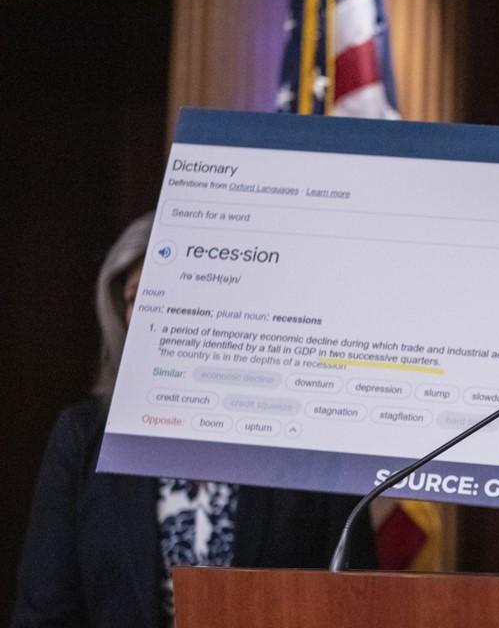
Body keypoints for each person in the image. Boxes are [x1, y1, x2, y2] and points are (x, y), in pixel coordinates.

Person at [11, 213, 374, 628]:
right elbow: (44, 611)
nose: (162, 315)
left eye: (178, 294)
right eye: (140, 298)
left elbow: (356, 603)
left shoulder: (310, 435)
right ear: (121, 314)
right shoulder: (82, 436)